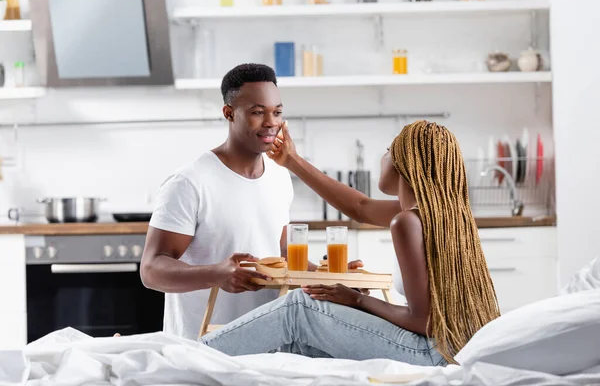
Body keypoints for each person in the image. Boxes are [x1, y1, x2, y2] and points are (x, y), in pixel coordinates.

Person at [201, 120, 501, 366]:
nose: (383, 156)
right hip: (450, 350)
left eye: (388, 150)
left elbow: (423, 320)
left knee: (299, 307)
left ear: (403, 164)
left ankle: (191, 357)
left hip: (430, 353)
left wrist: (356, 300)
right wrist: (291, 160)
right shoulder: (444, 213)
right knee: (296, 346)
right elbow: (360, 206)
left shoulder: (407, 221)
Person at [139, 63, 294, 341]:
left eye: (277, 112)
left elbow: (283, 258)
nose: (271, 122)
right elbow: (151, 270)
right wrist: (216, 274)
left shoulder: (280, 178)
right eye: (258, 112)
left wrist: (338, 275)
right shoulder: (189, 182)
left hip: (268, 345)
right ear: (229, 113)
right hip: (201, 349)